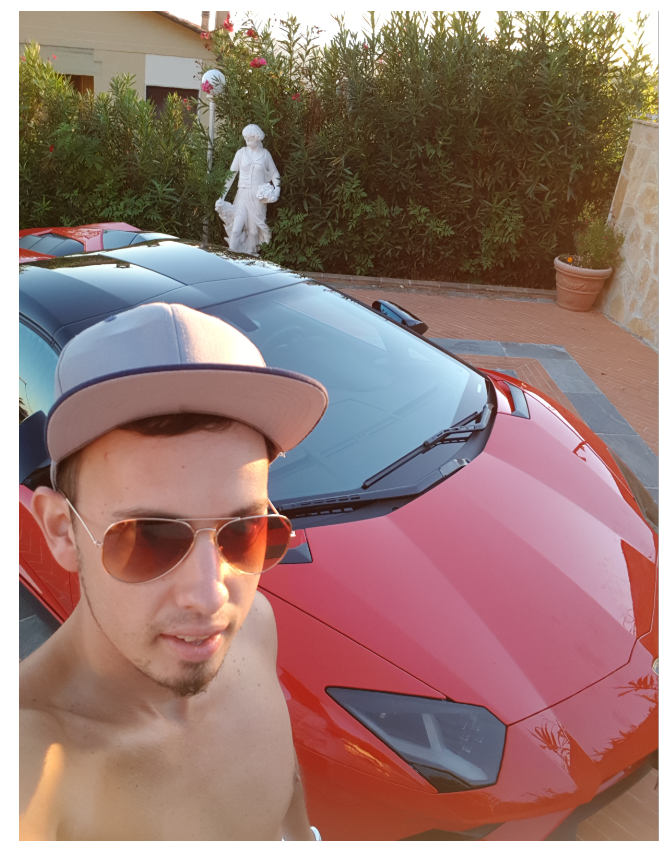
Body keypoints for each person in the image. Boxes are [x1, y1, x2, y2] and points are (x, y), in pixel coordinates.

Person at [20, 302, 328, 841]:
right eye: (150, 538)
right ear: (62, 530)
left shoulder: (255, 626)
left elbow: (286, 798)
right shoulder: (28, 769)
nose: (211, 596)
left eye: (244, 531)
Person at [215, 124, 280, 255]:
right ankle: (231, 259)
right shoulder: (241, 153)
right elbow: (230, 176)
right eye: (246, 139)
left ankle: (250, 258)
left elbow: (275, 174)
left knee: (254, 232)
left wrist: (276, 191)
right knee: (235, 230)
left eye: (250, 139)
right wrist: (221, 196)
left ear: (257, 138)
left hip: (257, 197)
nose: (247, 142)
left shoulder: (265, 154)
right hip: (242, 195)